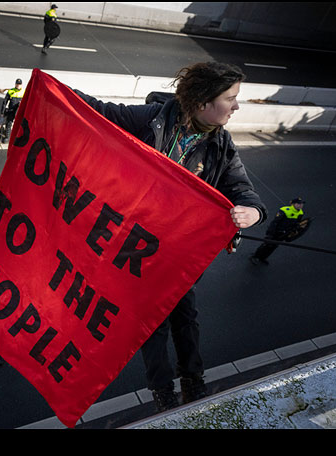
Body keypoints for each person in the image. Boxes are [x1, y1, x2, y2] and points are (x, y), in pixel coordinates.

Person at [74, 61, 267, 413]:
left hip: (177, 251)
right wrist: (53, 92)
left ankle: (194, 380)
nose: (237, 106)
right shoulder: (154, 118)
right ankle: (163, 391)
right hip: (137, 244)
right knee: (154, 322)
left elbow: (243, 190)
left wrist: (252, 212)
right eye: (231, 97)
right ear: (203, 101)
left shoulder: (220, 145)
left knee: (186, 317)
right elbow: (101, 112)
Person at [251, 197, 307, 265]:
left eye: (302, 204)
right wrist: (270, 233)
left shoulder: (300, 213)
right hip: (276, 231)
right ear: (293, 204)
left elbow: (297, 222)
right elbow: (275, 222)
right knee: (266, 244)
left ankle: (263, 258)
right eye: (298, 203)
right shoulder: (284, 210)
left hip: (284, 233)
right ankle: (255, 256)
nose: (301, 205)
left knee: (274, 246)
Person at [0, 79, 24, 143]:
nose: (18, 85)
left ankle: (18, 137)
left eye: (19, 84)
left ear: (21, 85)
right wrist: (2, 112)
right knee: (9, 123)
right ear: (15, 84)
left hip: (19, 111)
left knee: (20, 124)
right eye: (17, 84)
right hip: (11, 110)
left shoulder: (24, 92)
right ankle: (7, 137)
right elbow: (5, 102)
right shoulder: (10, 91)